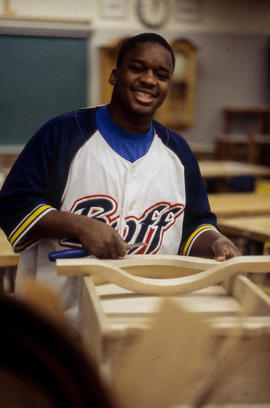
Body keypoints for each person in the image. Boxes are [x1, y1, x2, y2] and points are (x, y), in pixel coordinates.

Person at [0, 33, 240, 324]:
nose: (149, 80)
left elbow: (193, 225)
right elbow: (13, 204)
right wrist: (79, 225)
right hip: (61, 320)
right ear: (114, 75)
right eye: (137, 68)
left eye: (161, 75)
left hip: (142, 319)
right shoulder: (63, 134)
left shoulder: (178, 151)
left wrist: (215, 240)